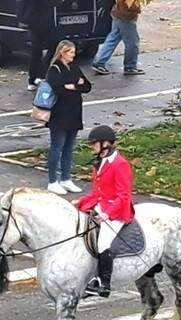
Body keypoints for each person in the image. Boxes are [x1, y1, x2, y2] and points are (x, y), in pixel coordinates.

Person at [76, 125, 134, 298]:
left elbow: (123, 195)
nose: (92, 147)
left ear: (106, 144)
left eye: (94, 144)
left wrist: (107, 213)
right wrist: (79, 203)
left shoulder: (120, 164)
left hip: (117, 211)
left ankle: (104, 283)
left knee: (103, 243)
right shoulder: (100, 163)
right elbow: (97, 193)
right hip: (101, 206)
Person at [43, 40, 92, 195]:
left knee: (69, 148)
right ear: (63, 52)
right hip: (59, 115)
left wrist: (74, 86)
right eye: (71, 52)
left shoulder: (74, 67)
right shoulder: (54, 69)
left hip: (74, 114)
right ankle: (52, 180)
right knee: (57, 147)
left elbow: (87, 86)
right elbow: (59, 90)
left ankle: (66, 178)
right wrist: (74, 86)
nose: (74, 54)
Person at [91, 0, 155, 76]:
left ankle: (99, 62)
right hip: (125, 16)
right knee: (132, 42)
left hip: (118, 13)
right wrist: (135, 8)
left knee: (113, 37)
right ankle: (130, 66)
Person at [19, 0, 59, 91]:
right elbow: (46, 1)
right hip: (43, 19)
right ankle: (41, 74)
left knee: (36, 48)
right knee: (54, 44)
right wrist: (58, 0)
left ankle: (32, 79)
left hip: (32, 18)